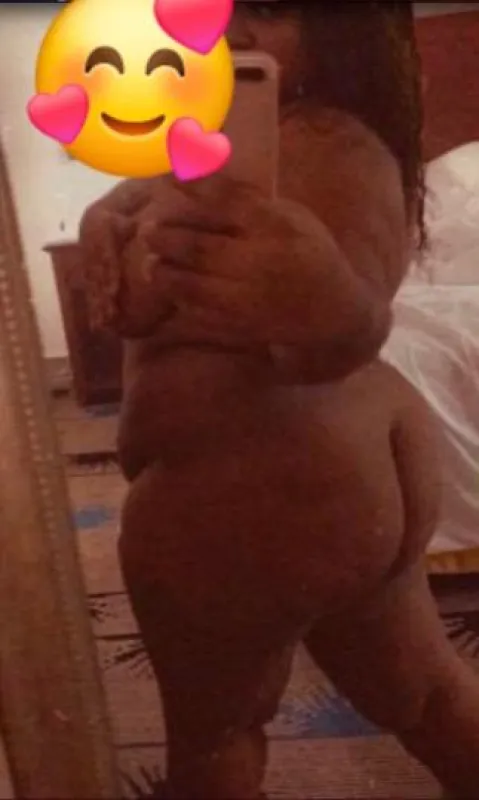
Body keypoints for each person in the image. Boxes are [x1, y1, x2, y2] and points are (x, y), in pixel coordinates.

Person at [79, 3, 479, 798]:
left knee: (216, 731)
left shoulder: (328, 141)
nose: (229, 32)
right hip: (338, 474)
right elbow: (152, 298)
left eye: (267, 10)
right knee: (420, 691)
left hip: (257, 475)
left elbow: (351, 321)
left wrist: (322, 298)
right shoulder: (228, 147)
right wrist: (108, 225)